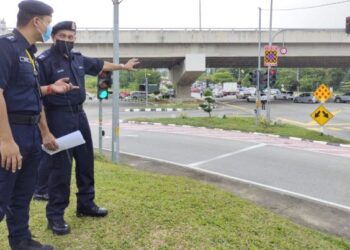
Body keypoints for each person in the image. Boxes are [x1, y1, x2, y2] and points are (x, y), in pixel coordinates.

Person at [35, 21, 139, 235]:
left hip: (79, 116)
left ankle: (86, 205)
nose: (67, 40)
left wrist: (123, 67)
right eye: (63, 36)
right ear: (53, 37)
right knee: (60, 170)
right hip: (58, 117)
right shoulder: (43, 62)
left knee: (85, 163)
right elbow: (37, 98)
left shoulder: (78, 58)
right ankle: (55, 216)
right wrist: (45, 132)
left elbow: (101, 65)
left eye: (71, 37)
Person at [0, 1, 78, 249]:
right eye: (48, 21)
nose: (49, 26)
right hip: (12, 133)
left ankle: (21, 242)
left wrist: (45, 129)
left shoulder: (29, 54)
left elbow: (30, 94)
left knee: (22, 195)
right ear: (36, 21)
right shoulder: (6, 47)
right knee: (2, 196)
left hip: (32, 133)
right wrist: (6, 140)